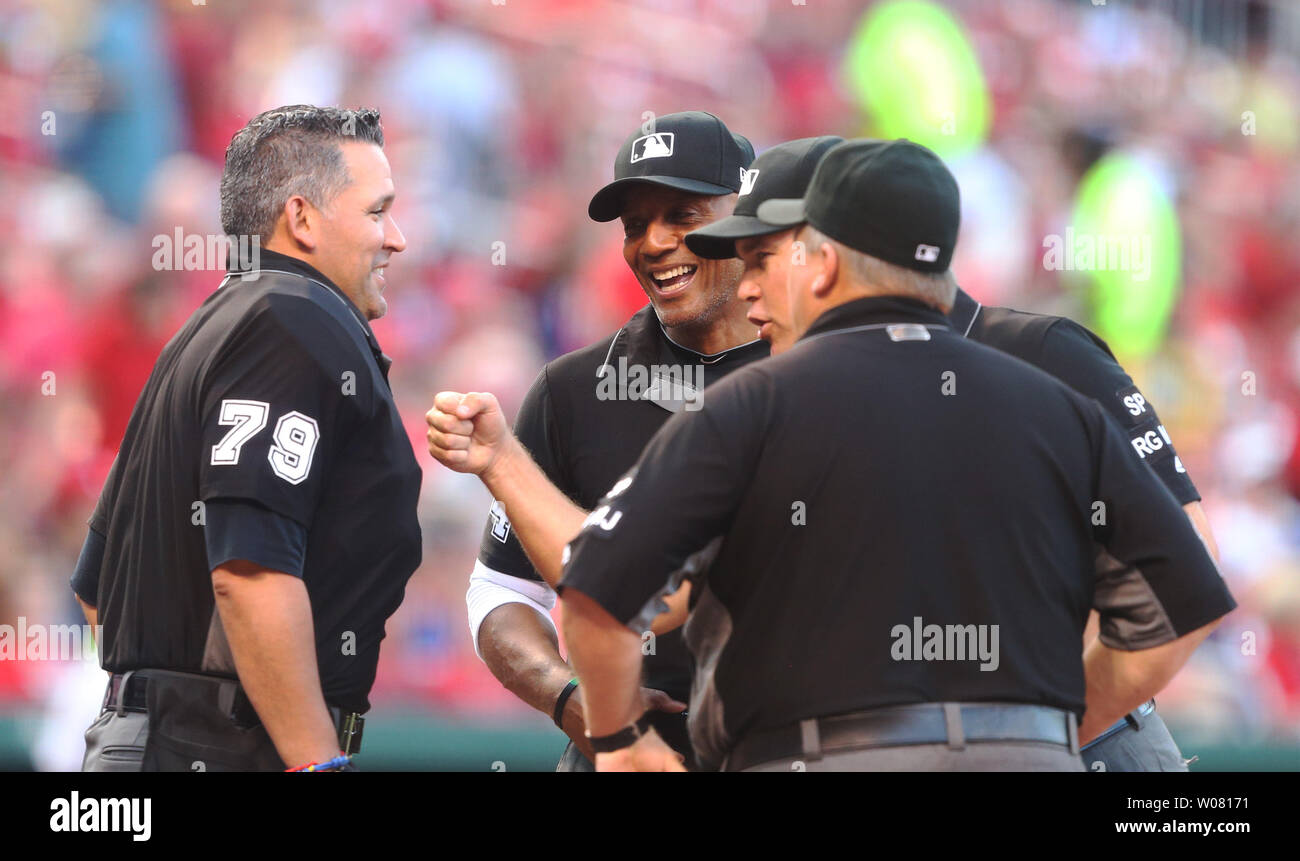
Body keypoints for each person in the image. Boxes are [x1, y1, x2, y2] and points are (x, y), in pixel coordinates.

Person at [556, 138, 1236, 772]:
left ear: (822, 256)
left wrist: (620, 739)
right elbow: (1177, 593)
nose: (744, 284)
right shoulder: (1040, 403)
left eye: (762, 257)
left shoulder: (1044, 358)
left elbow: (594, 589)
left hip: (1099, 746)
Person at [72, 105, 422, 772]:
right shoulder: (292, 322)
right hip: (225, 749)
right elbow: (250, 570)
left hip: (154, 744)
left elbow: (98, 588)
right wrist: (311, 759)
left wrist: (155, 702)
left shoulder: (202, 330)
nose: (396, 238)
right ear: (302, 218)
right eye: (378, 211)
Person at [425, 111, 765, 771]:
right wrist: (576, 702)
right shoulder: (573, 392)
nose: (655, 243)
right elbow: (501, 592)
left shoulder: (815, 373)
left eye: (684, 215)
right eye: (636, 225)